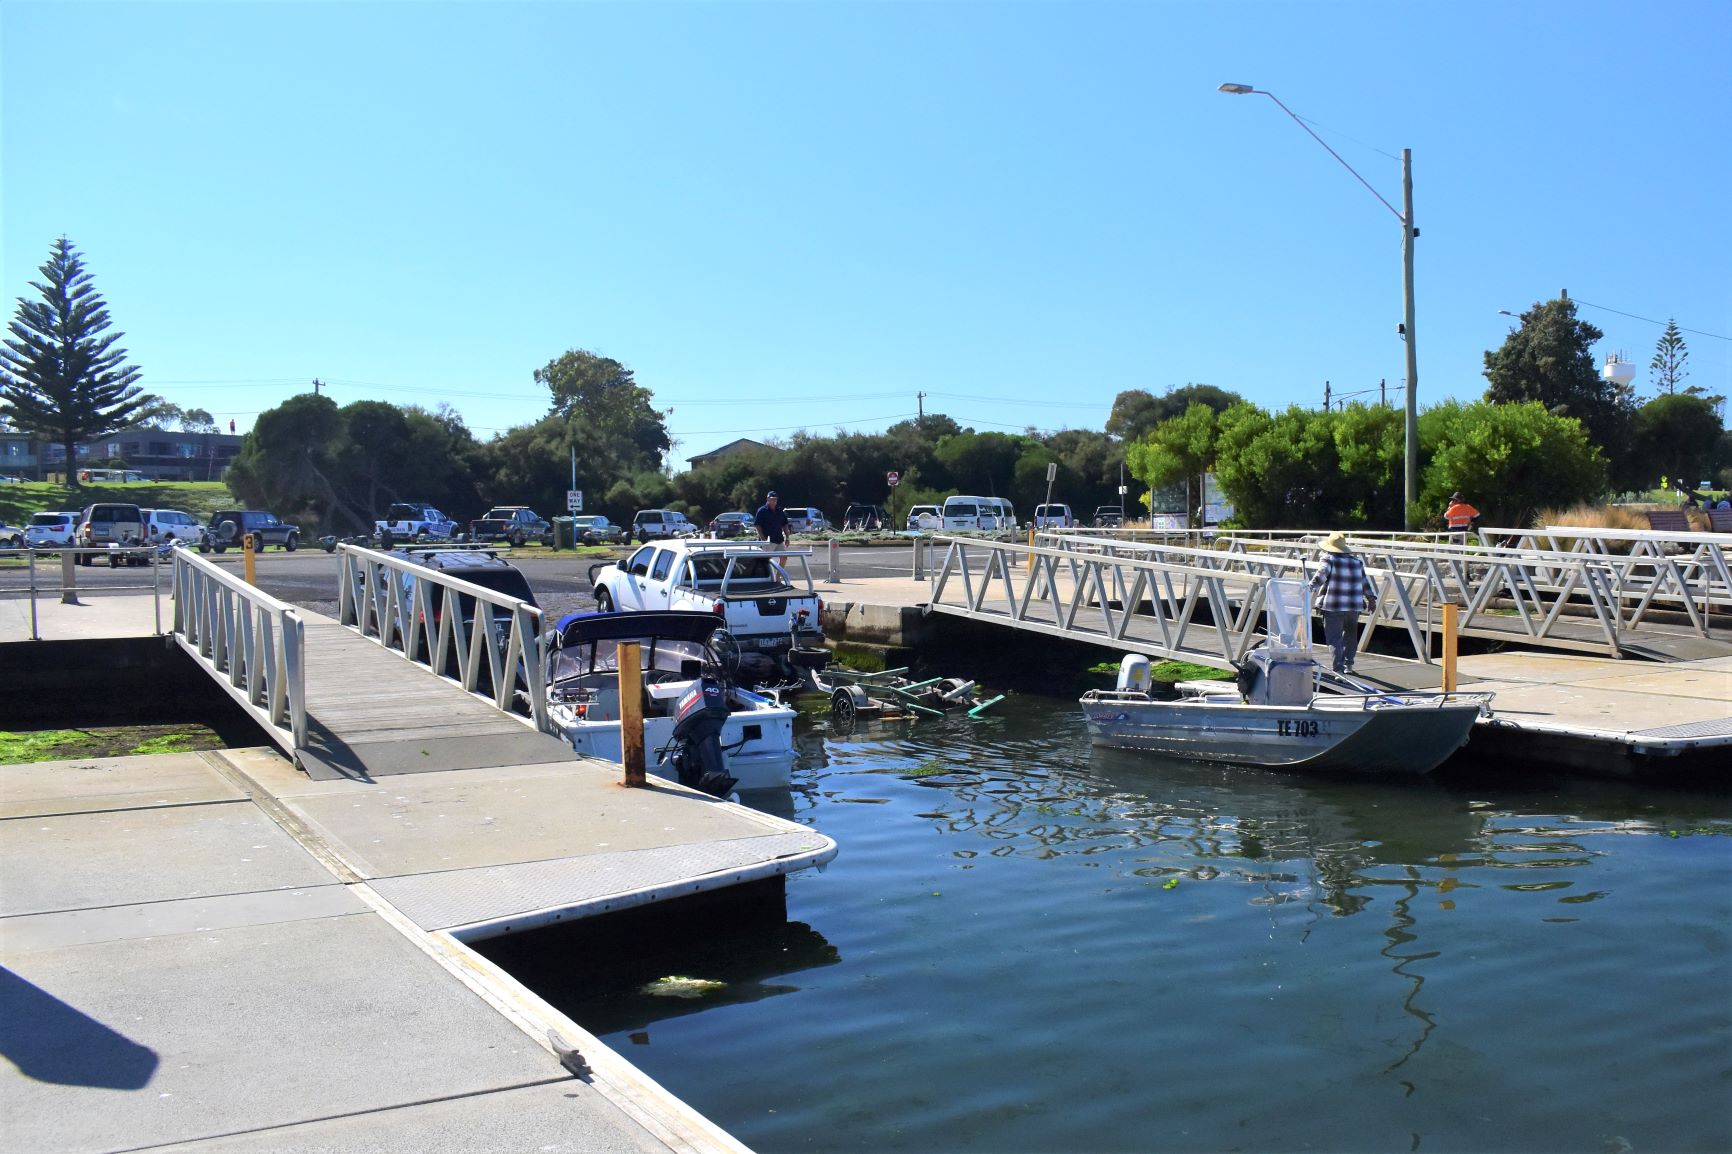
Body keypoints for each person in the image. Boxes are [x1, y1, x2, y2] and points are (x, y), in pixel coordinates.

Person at [1309, 532, 1375, 675]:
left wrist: (1307, 588)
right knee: (1350, 635)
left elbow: (1320, 576)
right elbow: (1364, 582)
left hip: (1333, 605)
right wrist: (1371, 598)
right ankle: (1349, 665)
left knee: (1334, 638)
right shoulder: (1357, 562)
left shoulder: (1329, 560)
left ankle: (1338, 670)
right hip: (1353, 605)